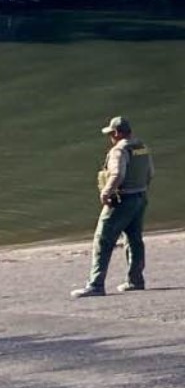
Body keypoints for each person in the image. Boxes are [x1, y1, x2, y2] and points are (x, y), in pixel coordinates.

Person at [72, 116, 153, 298]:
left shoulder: (119, 150)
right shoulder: (142, 147)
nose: (110, 137)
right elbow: (150, 173)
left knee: (103, 239)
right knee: (134, 239)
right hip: (140, 197)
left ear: (116, 133)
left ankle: (96, 285)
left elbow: (117, 174)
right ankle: (136, 280)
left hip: (122, 200)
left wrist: (106, 192)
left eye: (110, 134)